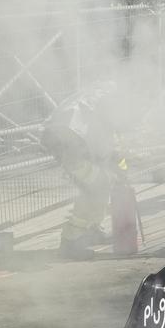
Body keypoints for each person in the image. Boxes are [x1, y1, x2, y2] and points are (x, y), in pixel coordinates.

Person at [41, 81, 134, 261]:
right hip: (69, 149)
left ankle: (91, 230)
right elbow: (102, 148)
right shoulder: (100, 107)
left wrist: (119, 166)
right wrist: (117, 166)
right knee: (97, 186)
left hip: (72, 144)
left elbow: (107, 149)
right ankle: (70, 242)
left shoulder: (101, 98)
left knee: (99, 185)